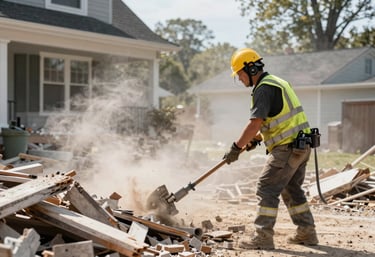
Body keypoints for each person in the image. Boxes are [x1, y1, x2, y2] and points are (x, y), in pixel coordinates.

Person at [223, 48, 318, 250]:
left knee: (266, 188)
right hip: (302, 145)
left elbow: (254, 123)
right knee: (292, 189)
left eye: (239, 74)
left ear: (250, 68)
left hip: (287, 148)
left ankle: (263, 236)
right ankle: (307, 233)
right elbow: (276, 118)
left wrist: (235, 148)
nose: (239, 79)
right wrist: (255, 140)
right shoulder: (278, 82)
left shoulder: (263, 89)